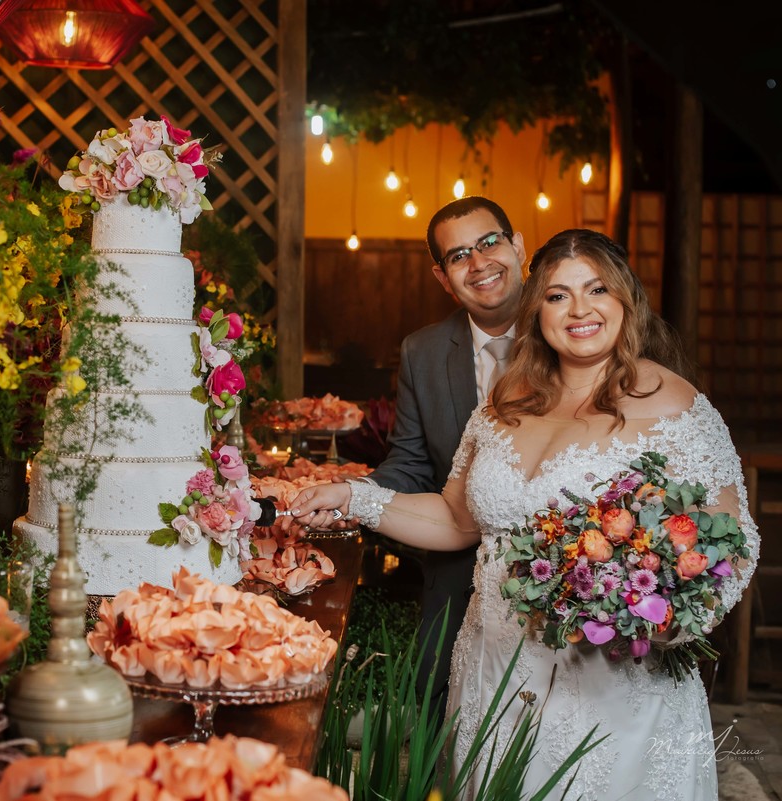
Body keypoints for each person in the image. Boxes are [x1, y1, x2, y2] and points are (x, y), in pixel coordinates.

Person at [292, 229, 759, 799]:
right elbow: (457, 519)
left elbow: (733, 545)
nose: (580, 310)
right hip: (492, 670)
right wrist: (354, 498)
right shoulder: (506, 400)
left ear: (627, 300)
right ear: (537, 310)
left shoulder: (674, 405)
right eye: (559, 295)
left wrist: (659, 620)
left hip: (610, 685)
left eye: (597, 290)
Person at [362, 196, 528, 719]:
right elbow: (410, 462)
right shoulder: (423, 351)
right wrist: (356, 497)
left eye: (489, 243)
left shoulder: (569, 330)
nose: (479, 263)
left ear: (518, 246)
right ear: (442, 277)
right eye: (459, 256)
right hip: (457, 584)